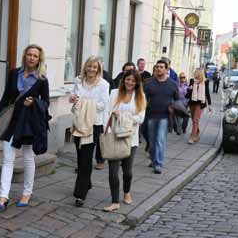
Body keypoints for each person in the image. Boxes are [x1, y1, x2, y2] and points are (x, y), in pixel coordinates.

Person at [0, 44, 50, 210]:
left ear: (39, 59)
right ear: (25, 56)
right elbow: (6, 96)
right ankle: (3, 197)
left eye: (35, 56)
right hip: (11, 120)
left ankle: (27, 193)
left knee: (27, 158)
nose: (32, 58)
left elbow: (46, 103)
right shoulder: (14, 73)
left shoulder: (42, 79)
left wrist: (34, 102)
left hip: (28, 123)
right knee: (7, 158)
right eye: (29, 54)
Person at [69, 56, 109, 207]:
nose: (92, 69)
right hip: (78, 122)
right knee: (80, 156)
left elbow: (102, 105)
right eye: (89, 66)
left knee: (86, 158)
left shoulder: (103, 85)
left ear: (98, 69)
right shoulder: (78, 80)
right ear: (85, 67)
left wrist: (83, 102)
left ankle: (80, 194)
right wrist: (73, 99)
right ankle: (88, 183)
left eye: (95, 67)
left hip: (94, 124)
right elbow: (73, 98)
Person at [103, 70, 146, 212]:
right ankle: (115, 201)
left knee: (127, 171)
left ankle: (127, 191)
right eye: (128, 79)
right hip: (114, 135)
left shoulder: (140, 97)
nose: (130, 83)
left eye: (133, 81)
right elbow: (108, 112)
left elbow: (140, 119)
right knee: (112, 172)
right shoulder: (114, 93)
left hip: (130, 138)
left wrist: (123, 115)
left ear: (137, 83)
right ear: (123, 80)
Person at [145, 60, 178, 174]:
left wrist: (173, 107)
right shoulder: (149, 83)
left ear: (166, 69)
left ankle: (158, 163)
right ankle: (154, 159)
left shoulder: (172, 84)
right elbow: (144, 99)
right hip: (151, 116)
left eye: (161, 67)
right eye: (157, 67)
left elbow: (177, 100)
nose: (159, 69)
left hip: (164, 117)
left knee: (160, 140)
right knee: (152, 142)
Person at [187, 68, 212, 144]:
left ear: (200, 74)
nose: (195, 74)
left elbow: (207, 93)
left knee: (195, 120)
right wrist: (190, 89)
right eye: (195, 73)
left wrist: (210, 105)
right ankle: (197, 131)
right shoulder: (192, 80)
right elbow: (188, 93)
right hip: (192, 102)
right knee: (193, 120)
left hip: (200, 103)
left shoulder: (206, 81)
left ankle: (192, 137)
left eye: (196, 73)